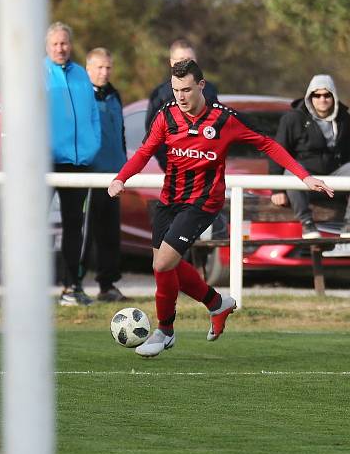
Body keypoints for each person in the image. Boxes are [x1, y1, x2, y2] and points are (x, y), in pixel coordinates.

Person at [108, 59, 332, 358]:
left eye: (187, 89)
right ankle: (216, 303)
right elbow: (146, 150)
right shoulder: (166, 116)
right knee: (163, 266)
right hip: (169, 199)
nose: (181, 97)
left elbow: (268, 145)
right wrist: (121, 178)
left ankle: (165, 330)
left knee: (163, 264)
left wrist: (304, 176)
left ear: (201, 85)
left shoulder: (224, 120)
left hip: (203, 202)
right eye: (176, 90)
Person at [44, 22, 101, 306]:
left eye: (64, 43)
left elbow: (93, 115)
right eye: (55, 44)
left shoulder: (81, 75)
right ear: (47, 46)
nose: (60, 48)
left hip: (79, 164)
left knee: (74, 227)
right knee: (32, 226)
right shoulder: (36, 75)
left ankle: (71, 287)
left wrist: (92, 146)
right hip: (45, 165)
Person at [269, 74, 350, 238]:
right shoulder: (293, 118)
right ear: (310, 97)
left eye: (327, 95)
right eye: (317, 95)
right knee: (292, 170)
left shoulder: (345, 119)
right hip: (306, 180)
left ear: (333, 96)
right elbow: (278, 152)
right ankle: (307, 224)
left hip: (334, 180)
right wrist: (276, 189)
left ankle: (348, 226)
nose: (322, 99)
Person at [84, 47, 128, 302]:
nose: (104, 72)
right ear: (88, 68)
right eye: (99, 67)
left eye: (108, 67)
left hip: (114, 174)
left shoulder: (114, 95)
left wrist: (123, 165)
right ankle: (75, 285)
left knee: (110, 234)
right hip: (90, 174)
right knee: (85, 233)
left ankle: (107, 285)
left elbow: (120, 132)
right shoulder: (81, 96)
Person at [145, 39, 219, 169]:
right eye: (181, 59)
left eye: (190, 59)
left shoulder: (209, 90)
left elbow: (216, 126)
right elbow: (153, 134)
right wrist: (169, 163)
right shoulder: (161, 94)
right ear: (171, 62)